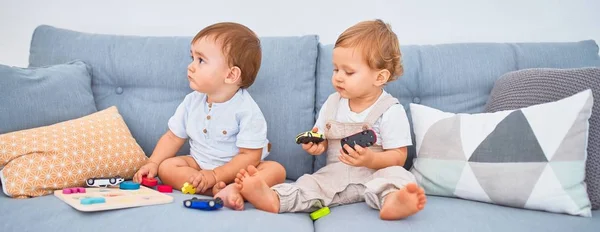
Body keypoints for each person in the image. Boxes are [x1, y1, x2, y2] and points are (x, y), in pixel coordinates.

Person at [234, 19, 426, 220]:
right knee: (310, 184)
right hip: (336, 174)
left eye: (349, 72)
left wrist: (372, 159)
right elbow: (321, 135)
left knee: (399, 176)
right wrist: (317, 144)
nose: (339, 77)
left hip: (377, 174)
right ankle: (274, 198)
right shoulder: (333, 103)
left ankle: (393, 201)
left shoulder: (390, 110)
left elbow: (398, 156)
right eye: (336, 69)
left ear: (379, 77)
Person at [133, 22, 286, 211]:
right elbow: (173, 137)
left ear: (231, 75)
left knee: (276, 170)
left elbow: (250, 155)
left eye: (201, 60)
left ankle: (235, 187)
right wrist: (153, 163)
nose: (191, 67)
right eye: (192, 58)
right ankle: (215, 190)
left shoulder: (246, 110)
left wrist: (216, 174)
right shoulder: (192, 102)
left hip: (238, 171)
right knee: (167, 167)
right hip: (198, 165)